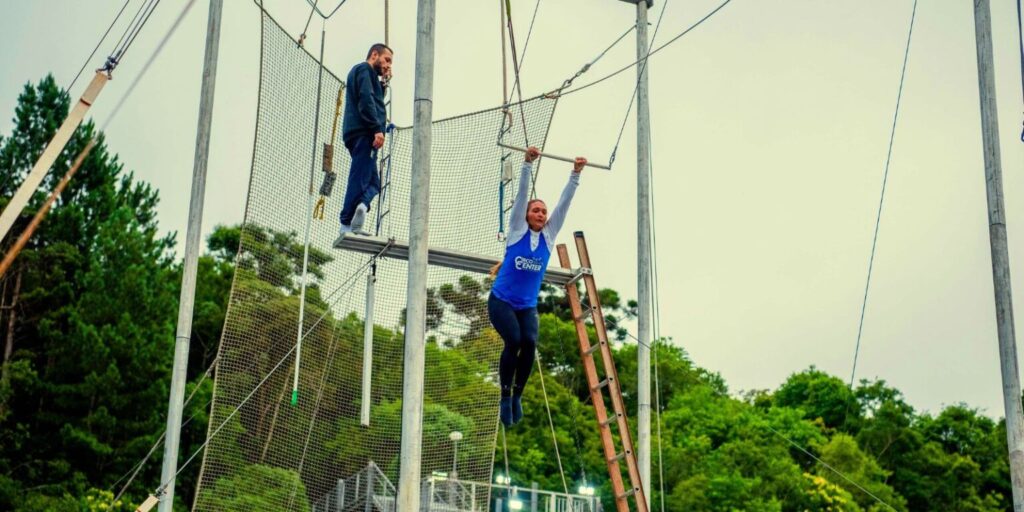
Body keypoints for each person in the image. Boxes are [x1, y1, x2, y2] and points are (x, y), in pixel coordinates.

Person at [489, 146, 586, 426]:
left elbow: (564, 205)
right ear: (527, 215)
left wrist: (575, 174)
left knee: (530, 343)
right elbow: (521, 197)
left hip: (526, 306)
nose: (541, 214)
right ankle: (505, 395)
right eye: (536, 210)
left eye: (544, 211)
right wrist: (527, 164)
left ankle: (517, 395)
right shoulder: (517, 230)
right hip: (501, 301)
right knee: (514, 341)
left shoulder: (549, 236)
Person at [339, 43, 393, 237]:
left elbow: (374, 98)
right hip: (364, 132)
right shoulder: (364, 69)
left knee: (374, 182)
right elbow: (366, 99)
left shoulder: (367, 76)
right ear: (374, 55)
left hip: (361, 132)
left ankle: (361, 207)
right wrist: (376, 129)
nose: (388, 65)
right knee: (359, 177)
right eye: (387, 60)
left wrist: (383, 84)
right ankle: (346, 222)